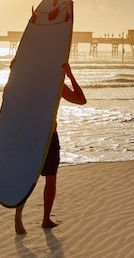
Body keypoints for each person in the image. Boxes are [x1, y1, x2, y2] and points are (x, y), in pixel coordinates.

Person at [14, 62, 86, 235]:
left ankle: (33, 217)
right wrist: (70, 75)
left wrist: (13, 74)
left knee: (39, 178)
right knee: (42, 179)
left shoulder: (39, 84)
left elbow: (81, 100)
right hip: (41, 136)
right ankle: (32, 218)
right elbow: (81, 100)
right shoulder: (48, 85)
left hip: (39, 136)